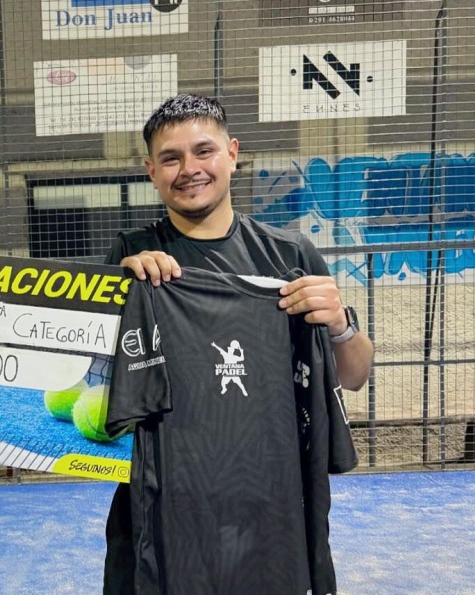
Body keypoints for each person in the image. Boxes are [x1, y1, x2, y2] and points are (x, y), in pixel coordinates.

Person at [103, 93, 374, 594]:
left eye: (203, 151)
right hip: (164, 511)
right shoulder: (130, 258)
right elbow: (91, 386)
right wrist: (117, 294)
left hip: (268, 510)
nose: (189, 169)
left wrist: (339, 323)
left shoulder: (290, 256)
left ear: (232, 153)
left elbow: (355, 376)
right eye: (171, 158)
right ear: (150, 169)